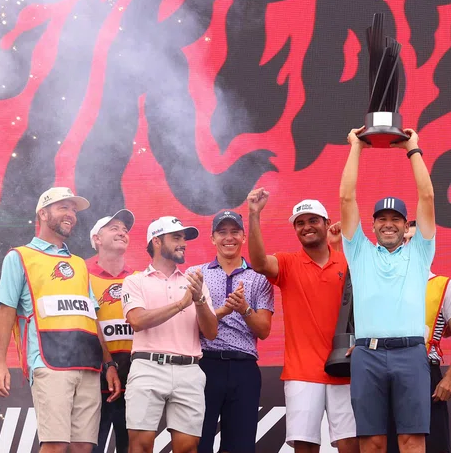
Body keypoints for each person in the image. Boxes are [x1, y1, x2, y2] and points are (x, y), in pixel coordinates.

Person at [0, 187, 121, 453]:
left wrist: (108, 363)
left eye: (73, 210)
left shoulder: (79, 263)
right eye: (64, 207)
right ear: (43, 213)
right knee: (55, 445)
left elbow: (91, 316)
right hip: (49, 363)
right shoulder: (20, 257)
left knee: (84, 447)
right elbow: (5, 312)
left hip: (88, 365)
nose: (71, 214)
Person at [339, 127, 436, 453]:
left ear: (407, 225)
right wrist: (356, 147)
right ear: (373, 224)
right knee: (373, 443)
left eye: (396, 218)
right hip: (367, 355)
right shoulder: (359, 251)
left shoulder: (420, 252)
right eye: (382, 218)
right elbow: (346, 198)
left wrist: (413, 149)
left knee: (411, 442)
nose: (389, 224)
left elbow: (427, 197)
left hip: (410, 353)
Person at [246, 189, 359, 453]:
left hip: (345, 366)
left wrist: (340, 246)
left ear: (326, 222)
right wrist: (254, 214)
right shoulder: (287, 263)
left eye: (312, 220)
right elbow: (259, 262)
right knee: (305, 447)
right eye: (300, 223)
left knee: (351, 446)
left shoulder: (348, 260)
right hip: (302, 372)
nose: (306, 227)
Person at [121, 216, 218, 453]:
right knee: (140, 446)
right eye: (176, 237)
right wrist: (182, 304)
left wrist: (200, 300)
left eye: (184, 238)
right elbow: (137, 320)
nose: (183, 243)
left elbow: (211, 332)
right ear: (156, 241)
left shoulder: (194, 282)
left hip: (189, 369)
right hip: (148, 366)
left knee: (188, 448)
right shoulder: (134, 281)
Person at [192, 209, 275, 453]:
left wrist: (244, 308)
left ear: (243, 236)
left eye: (234, 232)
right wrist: (221, 311)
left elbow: (264, 330)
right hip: (205, 365)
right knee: (199, 443)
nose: (229, 238)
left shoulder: (258, 278)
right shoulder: (197, 275)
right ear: (212, 238)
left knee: (240, 446)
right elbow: (188, 324)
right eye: (222, 232)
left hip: (244, 367)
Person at [386, 265, 451, 453]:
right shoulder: (384, 285)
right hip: (386, 372)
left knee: (432, 444)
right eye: (404, 241)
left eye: (413, 240)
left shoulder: (444, 285)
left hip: (426, 372)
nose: (407, 246)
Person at [87, 209, 137, 453]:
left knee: (131, 448)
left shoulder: (140, 278)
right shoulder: (81, 276)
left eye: (125, 230)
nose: (122, 232)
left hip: (136, 378)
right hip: (95, 378)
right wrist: (108, 365)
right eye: (114, 228)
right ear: (97, 238)